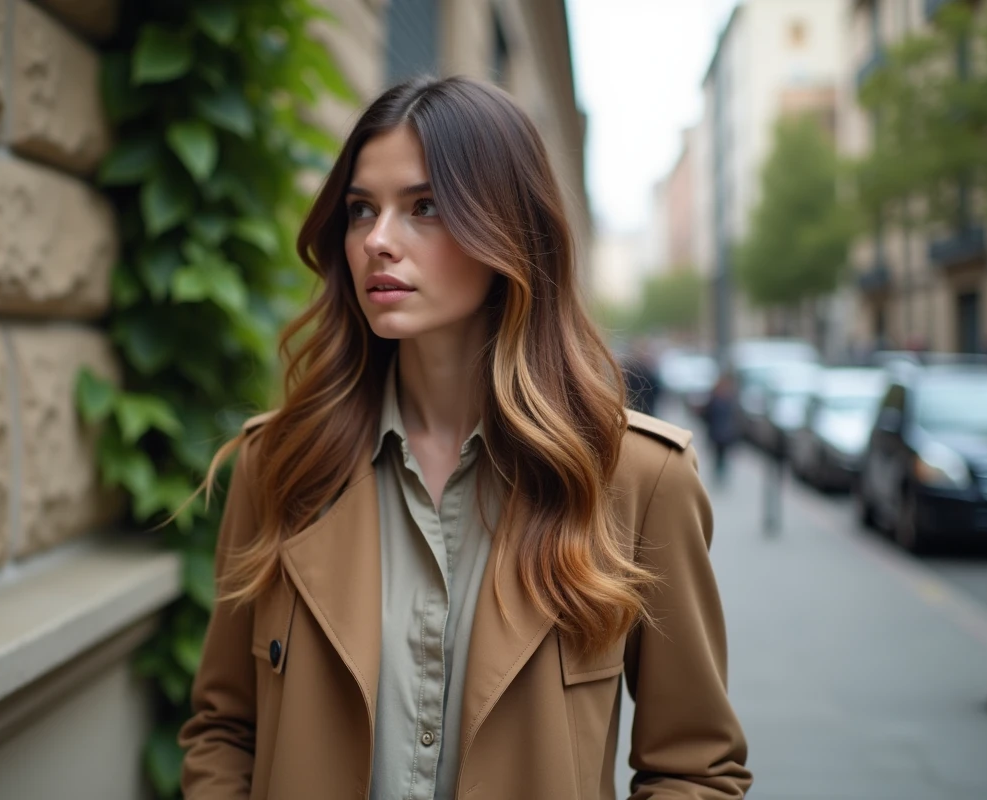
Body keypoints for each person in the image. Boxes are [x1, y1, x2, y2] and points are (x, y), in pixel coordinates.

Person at [178, 77, 750, 800]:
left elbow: (694, 769)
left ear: (507, 229)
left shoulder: (635, 478)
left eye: (425, 207)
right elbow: (223, 728)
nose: (378, 242)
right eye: (361, 211)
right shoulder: (283, 464)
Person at [701, 374, 739, 486]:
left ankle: (720, 473)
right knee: (719, 455)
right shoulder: (724, 399)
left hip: (721, 433)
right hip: (721, 433)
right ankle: (719, 473)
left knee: (721, 456)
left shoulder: (720, 399)